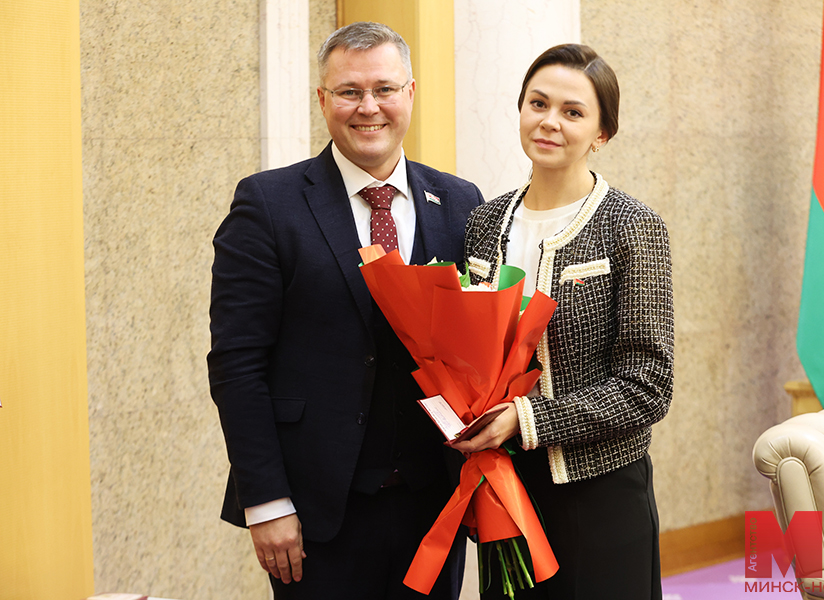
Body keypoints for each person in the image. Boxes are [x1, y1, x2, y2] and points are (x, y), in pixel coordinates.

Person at [208, 21, 483, 599]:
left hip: (432, 508)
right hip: (314, 517)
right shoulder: (267, 203)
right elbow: (236, 365)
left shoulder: (460, 203)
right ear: (322, 99)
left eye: (384, 89)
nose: (368, 108)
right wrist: (266, 501)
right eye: (349, 92)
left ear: (410, 93)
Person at [453, 44, 674, 599]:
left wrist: (527, 421)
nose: (550, 122)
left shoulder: (632, 226)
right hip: (502, 486)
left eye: (573, 112)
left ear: (602, 133)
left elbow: (649, 386)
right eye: (538, 103)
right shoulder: (484, 223)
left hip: (597, 492)